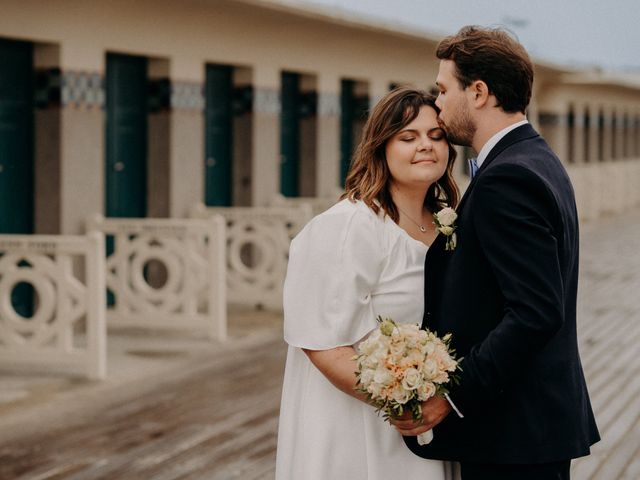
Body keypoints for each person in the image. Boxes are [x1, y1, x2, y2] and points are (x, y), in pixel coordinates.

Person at [393, 26, 600, 480]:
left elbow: (536, 312)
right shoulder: (535, 158)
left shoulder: (507, 179)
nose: (439, 104)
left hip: (515, 436)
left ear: (479, 92)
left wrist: (450, 395)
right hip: (529, 430)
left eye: (444, 90)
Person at [275, 87, 459, 480]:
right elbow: (321, 342)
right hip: (356, 423)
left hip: (427, 425)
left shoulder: (447, 222)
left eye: (435, 136)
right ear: (381, 148)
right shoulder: (347, 226)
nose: (425, 146)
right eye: (408, 138)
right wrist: (406, 400)